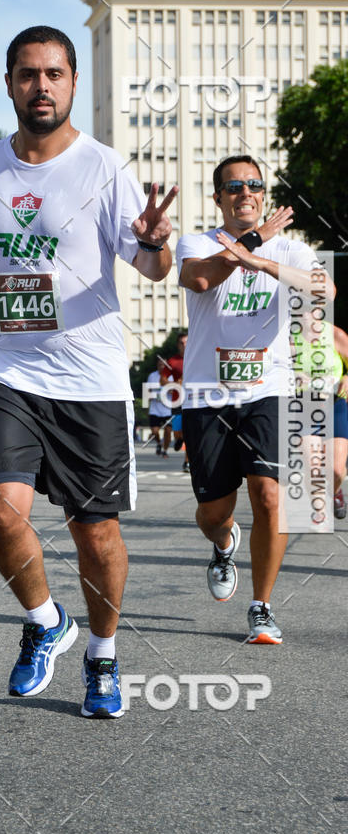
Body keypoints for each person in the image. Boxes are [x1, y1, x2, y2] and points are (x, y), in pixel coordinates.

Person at [0, 26, 177, 717]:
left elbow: (151, 265)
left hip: (89, 379)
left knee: (94, 533)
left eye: (55, 74)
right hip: (4, 367)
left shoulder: (105, 169)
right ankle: (45, 622)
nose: (42, 85)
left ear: (73, 82)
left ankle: (102, 654)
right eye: (29, 74)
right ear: (9, 83)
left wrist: (155, 245)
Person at [177, 154, 335, 644]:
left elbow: (323, 290)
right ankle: (224, 543)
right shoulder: (196, 243)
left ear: (263, 194)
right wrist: (249, 242)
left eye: (254, 185)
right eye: (234, 187)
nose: (245, 193)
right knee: (213, 512)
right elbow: (199, 280)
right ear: (218, 197)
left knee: (269, 495)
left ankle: (261, 607)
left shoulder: (288, 248)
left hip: (270, 388)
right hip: (207, 395)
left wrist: (262, 258)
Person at [291, 313, 348, 520]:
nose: (306, 315)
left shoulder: (334, 334)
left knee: (336, 470)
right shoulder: (289, 337)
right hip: (304, 409)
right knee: (312, 466)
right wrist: (292, 375)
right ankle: (319, 510)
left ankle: (335, 491)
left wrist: (347, 378)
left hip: (334, 406)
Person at [164, 332, 189, 471]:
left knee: (189, 433)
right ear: (178, 345)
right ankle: (178, 438)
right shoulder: (172, 361)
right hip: (177, 401)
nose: (184, 345)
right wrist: (174, 384)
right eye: (182, 343)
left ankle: (187, 462)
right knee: (178, 432)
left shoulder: (196, 357)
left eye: (186, 342)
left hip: (193, 401)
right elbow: (163, 380)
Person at [147, 360, 172, 456]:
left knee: (168, 431)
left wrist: (171, 391)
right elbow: (147, 391)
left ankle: (165, 450)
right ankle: (159, 443)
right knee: (154, 432)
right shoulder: (152, 376)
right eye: (159, 365)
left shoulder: (171, 376)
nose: (161, 367)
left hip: (168, 409)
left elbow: (176, 391)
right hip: (155, 409)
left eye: (163, 365)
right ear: (157, 366)